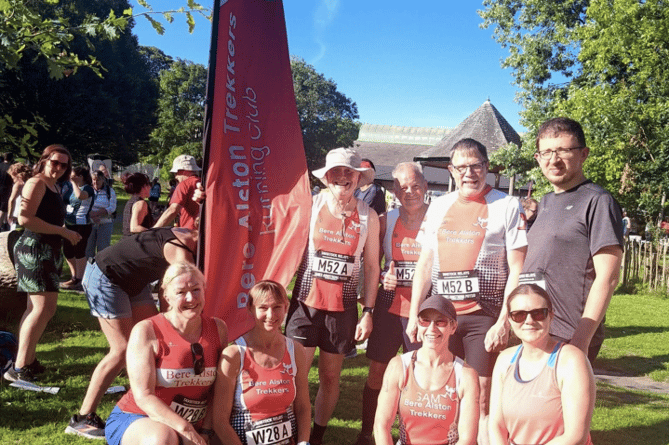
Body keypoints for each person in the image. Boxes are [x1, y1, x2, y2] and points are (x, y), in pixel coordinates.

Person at [408, 138, 527, 445]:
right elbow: (424, 264)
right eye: (462, 167)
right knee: (443, 391)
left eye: (476, 166)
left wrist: (504, 321)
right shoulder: (438, 205)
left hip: (482, 318)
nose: (469, 173)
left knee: (481, 397)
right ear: (451, 170)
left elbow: (517, 267)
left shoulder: (507, 205)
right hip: (441, 318)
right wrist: (413, 317)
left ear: (486, 167)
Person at [65, 227, 200, 439]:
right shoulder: (181, 251)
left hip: (135, 281)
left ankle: (150, 403)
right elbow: (173, 294)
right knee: (122, 349)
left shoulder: (189, 236)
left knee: (156, 339)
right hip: (105, 275)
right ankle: (82, 417)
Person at [285, 147, 380, 445]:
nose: (342, 177)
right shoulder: (310, 206)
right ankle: (294, 433)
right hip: (305, 305)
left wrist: (368, 311)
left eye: (348, 172)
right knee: (296, 376)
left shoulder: (369, 216)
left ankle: (317, 436)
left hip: (342, 310)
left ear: (358, 178)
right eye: (335, 171)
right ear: (326, 177)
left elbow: (373, 266)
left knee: (329, 378)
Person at [522, 117, 624, 364]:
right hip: (533, 330)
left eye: (564, 151)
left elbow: (608, 277)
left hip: (568, 336)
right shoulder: (543, 203)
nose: (553, 160)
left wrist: (581, 339)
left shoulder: (598, 201)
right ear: (537, 158)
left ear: (583, 154)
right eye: (546, 152)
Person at [104, 262, 228, 445]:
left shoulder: (218, 328)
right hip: (142, 417)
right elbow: (144, 395)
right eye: (180, 292)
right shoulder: (147, 330)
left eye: (196, 289)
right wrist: (186, 429)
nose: (190, 298)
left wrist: (207, 431)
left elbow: (218, 390)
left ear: (204, 290)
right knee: (163, 439)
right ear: (167, 296)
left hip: (197, 421)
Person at [352, 162, 427, 445]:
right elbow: (366, 261)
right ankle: (366, 432)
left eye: (415, 186)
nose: (410, 192)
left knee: (420, 377)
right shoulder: (387, 220)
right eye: (403, 188)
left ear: (426, 186)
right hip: (389, 308)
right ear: (394, 191)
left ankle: (414, 435)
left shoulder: (438, 219)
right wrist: (383, 276)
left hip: (421, 311)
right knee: (377, 372)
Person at [5, 144, 82, 382]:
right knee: (39, 309)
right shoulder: (36, 182)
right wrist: (62, 231)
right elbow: (25, 218)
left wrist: (62, 232)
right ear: (44, 160)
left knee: (44, 309)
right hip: (34, 249)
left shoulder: (55, 185)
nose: (58, 167)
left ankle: (28, 359)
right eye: (54, 162)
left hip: (49, 250)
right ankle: (18, 369)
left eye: (63, 165)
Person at [489, 284, 595, 445]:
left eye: (538, 313)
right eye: (519, 315)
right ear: (510, 319)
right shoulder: (504, 360)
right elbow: (496, 424)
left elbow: (576, 436)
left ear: (551, 316)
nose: (529, 321)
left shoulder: (571, 361)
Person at [213, 280, 311, 445]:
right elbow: (220, 422)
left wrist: (303, 443)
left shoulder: (296, 351)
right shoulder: (234, 355)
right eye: (263, 308)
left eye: (277, 307)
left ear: (286, 308)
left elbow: (303, 406)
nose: (271, 315)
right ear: (250, 308)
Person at [374, 297, 479, 445]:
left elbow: (467, 439)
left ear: (453, 326)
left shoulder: (466, 375)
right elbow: (381, 425)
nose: (431, 328)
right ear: (418, 324)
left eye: (440, 322)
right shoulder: (399, 366)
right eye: (425, 321)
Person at [61, 166, 95, 290]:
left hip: (82, 225)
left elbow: (81, 196)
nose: (70, 176)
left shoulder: (88, 188)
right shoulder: (69, 187)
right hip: (69, 223)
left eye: (73, 174)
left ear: (80, 177)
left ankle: (81, 280)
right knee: (67, 251)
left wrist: (74, 184)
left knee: (79, 251)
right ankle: (74, 277)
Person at [154, 155, 202, 230]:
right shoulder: (203, 183)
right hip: (203, 233)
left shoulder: (184, 184)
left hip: (188, 233)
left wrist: (154, 230)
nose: (175, 176)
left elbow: (173, 210)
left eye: (176, 173)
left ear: (184, 170)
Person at [86, 170, 117, 258]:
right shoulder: (87, 190)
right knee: (88, 249)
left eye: (98, 180)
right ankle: (89, 269)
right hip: (90, 223)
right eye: (94, 180)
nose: (96, 182)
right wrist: (92, 216)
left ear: (103, 179)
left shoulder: (110, 191)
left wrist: (96, 214)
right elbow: (83, 206)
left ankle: (101, 270)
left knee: (103, 249)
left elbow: (112, 208)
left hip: (105, 223)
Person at [122, 172, 152, 237]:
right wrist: (153, 233)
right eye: (149, 184)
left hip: (126, 241)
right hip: (134, 243)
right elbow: (134, 228)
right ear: (144, 186)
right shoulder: (141, 203)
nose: (150, 187)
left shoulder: (131, 201)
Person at [7, 163, 33, 230]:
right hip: (30, 214)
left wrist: (9, 215)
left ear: (15, 173)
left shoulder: (19, 184)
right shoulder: (31, 182)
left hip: (18, 215)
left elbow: (12, 200)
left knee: (15, 234)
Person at [0, 152, 14, 231]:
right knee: (3, 209)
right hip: (7, 189)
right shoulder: (11, 167)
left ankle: (4, 224)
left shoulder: (0, 165)